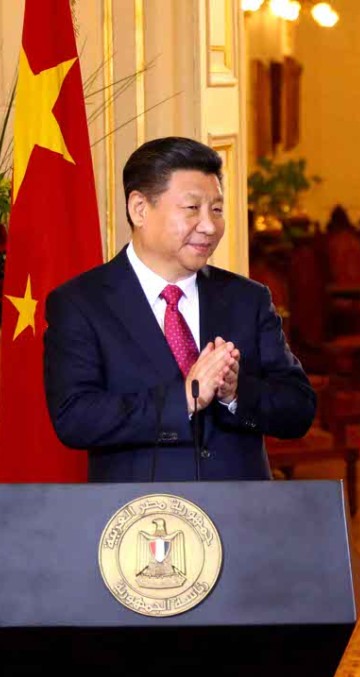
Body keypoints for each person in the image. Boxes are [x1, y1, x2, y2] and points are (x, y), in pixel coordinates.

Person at [44, 137, 316, 482]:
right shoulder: (81, 303)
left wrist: (236, 393)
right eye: (192, 209)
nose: (208, 226)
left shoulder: (247, 299)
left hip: (240, 517)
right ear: (139, 208)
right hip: (140, 523)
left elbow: (299, 409)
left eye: (216, 209)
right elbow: (75, 418)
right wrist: (185, 399)